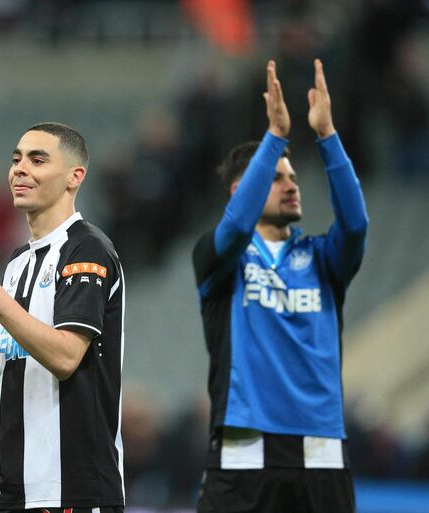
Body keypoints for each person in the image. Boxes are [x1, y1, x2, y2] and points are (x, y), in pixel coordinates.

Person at [192, 60, 368, 513]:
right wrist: (275, 138)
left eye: (292, 177)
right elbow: (233, 229)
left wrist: (327, 136)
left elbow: (355, 224)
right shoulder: (218, 259)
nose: (292, 186)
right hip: (242, 447)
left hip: (321, 447)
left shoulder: (323, 259)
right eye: (276, 178)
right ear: (241, 192)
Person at [0, 123, 125, 513]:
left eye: (38, 160)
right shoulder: (18, 262)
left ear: (75, 177)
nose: (20, 168)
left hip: (71, 489)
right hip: (9, 491)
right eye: (16, 159)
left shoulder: (87, 249)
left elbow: (66, 357)